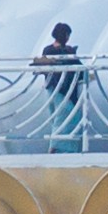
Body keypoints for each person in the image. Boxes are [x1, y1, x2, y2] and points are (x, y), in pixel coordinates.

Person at [33, 21, 90, 152]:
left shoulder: (65, 50)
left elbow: (80, 67)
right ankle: (56, 146)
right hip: (57, 89)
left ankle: (63, 147)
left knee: (63, 115)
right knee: (66, 113)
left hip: (59, 89)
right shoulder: (51, 50)